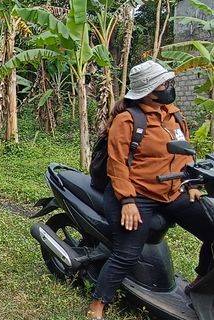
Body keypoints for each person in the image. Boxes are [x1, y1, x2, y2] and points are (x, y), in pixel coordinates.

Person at [87, 60, 214, 319]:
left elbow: (185, 152)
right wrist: (128, 202)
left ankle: (198, 284)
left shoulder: (174, 115)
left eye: (169, 83)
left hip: (173, 190)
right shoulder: (127, 120)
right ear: (148, 90)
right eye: (164, 84)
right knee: (127, 253)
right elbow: (117, 164)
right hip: (137, 193)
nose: (169, 87)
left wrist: (191, 183)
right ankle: (97, 305)